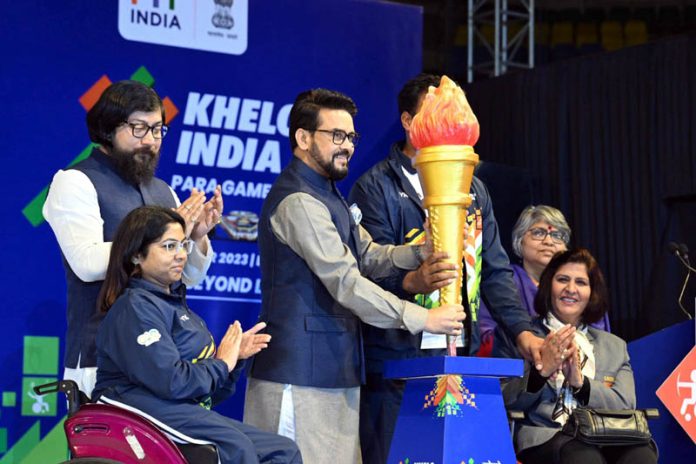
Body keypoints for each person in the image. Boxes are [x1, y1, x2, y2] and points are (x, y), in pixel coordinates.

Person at [243, 88, 466, 464]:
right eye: (336, 136)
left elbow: (367, 254)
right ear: (303, 138)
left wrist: (420, 251)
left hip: (336, 371)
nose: (347, 146)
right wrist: (422, 318)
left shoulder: (330, 195)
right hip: (298, 378)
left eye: (351, 137)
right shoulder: (299, 201)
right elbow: (346, 281)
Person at [347, 73, 543, 463]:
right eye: (434, 111)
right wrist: (413, 279)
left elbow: (495, 271)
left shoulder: (475, 189)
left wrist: (523, 331)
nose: (448, 117)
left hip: (457, 352)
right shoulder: (374, 187)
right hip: (397, 357)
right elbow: (370, 271)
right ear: (408, 122)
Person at [43, 80, 222, 397]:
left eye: (157, 130)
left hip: (167, 357)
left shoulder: (163, 190)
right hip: (101, 358)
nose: (150, 141)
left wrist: (196, 236)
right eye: (139, 128)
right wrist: (161, 234)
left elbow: (189, 276)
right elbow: (86, 263)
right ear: (109, 128)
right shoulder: (75, 181)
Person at [92, 206, 302, 464]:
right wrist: (222, 362)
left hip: (174, 405)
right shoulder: (135, 307)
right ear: (137, 255)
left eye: (183, 245)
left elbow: (208, 395)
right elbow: (172, 382)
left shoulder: (174, 303)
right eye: (169, 246)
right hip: (131, 408)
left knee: (282, 451)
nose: (181, 255)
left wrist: (234, 359)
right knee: (235, 450)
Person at [494, 248, 657, 464]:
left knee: (641, 455)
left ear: (593, 293)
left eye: (581, 282)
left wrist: (581, 385)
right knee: (584, 457)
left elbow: (625, 404)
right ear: (548, 286)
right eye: (562, 279)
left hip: (606, 434)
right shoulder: (522, 338)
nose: (571, 289)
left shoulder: (614, 346)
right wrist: (541, 373)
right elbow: (504, 399)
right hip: (547, 435)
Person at [478, 205, 610, 355]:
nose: (548, 241)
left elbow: (601, 343)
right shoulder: (500, 282)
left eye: (557, 235)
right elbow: (486, 340)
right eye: (538, 233)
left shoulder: (583, 288)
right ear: (519, 240)